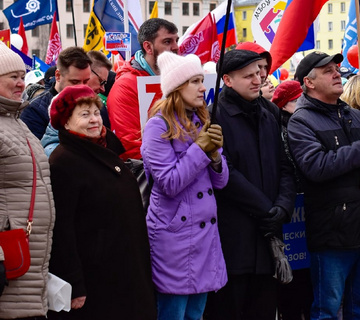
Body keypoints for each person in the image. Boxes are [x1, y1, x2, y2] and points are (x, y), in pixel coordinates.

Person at [287, 51, 360, 320]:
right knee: (328, 310)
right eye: (327, 71)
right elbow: (316, 167)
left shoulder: (353, 115)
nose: (337, 73)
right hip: (332, 235)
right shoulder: (301, 121)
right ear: (309, 82)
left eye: (336, 68)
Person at [47, 85, 156, 320]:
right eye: (84, 115)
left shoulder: (106, 151)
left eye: (96, 112)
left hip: (126, 271)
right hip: (97, 279)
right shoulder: (62, 163)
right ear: (66, 122)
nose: (94, 120)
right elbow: (62, 231)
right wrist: (74, 283)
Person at [141, 52, 228, 320]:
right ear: (177, 88)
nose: (203, 88)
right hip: (174, 239)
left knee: (195, 315)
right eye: (195, 81)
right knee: (173, 315)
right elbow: (169, 183)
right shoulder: (157, 127)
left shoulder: (201, 121)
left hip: (203, 238)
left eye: (202, 80)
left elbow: (222, 182)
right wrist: (201, 150)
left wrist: (215, 157)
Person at [210, 49, 296, 320]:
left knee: (264, 309)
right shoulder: (214, 117)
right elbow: (225, 172)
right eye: (248, 76)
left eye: (258, 73)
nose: (257, 80)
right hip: (234, 238)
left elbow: (285, 166)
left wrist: (283, 207)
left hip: (269, 236)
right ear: (227, 79)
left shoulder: (270, 112)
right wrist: (266, 209)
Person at [0, 44, 55, 319]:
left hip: (29, 264)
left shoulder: (17, 122)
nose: (22, 83)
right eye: (12, 77)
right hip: (9, 264)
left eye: (23, 76)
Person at [271, 80, 314, 320]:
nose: (303, 105)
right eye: (298, 101)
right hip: (288, 211)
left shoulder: (307, 125)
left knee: (309, 287)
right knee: (290, 288)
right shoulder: (279, 131)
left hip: (308, 212)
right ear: (284, 105)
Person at [107, 18, 179, 159]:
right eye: (167, 41)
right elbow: (130, 146)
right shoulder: (126, 87)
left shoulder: (179, 80)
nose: (176, 47)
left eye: (176, 40)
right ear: (148, 47)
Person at [20, 47, 92, 139]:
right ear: (58, 76)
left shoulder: (93, 105)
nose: (81, 87)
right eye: (75, 82)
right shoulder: (34, 110)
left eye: (86, 81)